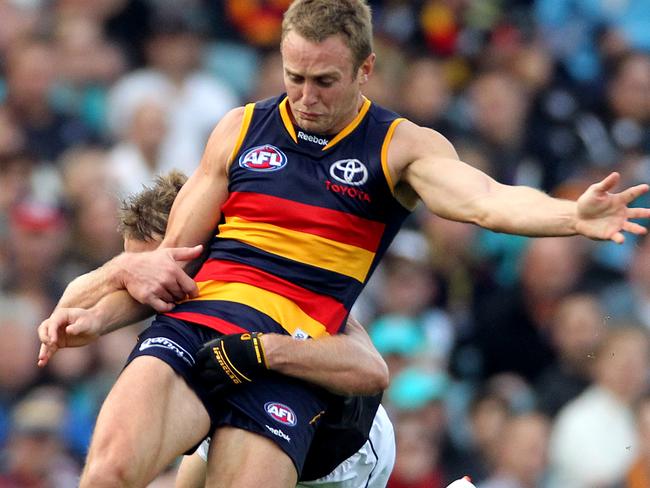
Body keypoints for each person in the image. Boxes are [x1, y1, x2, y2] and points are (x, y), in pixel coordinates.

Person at [37, 0, 650, 486]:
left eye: (325, 81)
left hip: (290, 358)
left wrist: (571, 215)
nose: (305, 98)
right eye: (293, 76)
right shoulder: (240, 127)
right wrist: (96, 315)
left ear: (365, 69)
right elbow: (170, 267)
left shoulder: (398, 146)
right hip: (197, 329)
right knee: (108, 475)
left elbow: (486, 199)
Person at [40, 171, 396, 487]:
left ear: (204, 248)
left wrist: (262, 351)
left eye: (160, 266)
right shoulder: (164, 296)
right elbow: (70, 308)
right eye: (140, 269)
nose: (148, 286)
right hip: (234, 404)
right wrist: (122, 270)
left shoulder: (279, 283)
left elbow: (372, 370)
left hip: (341, 457)